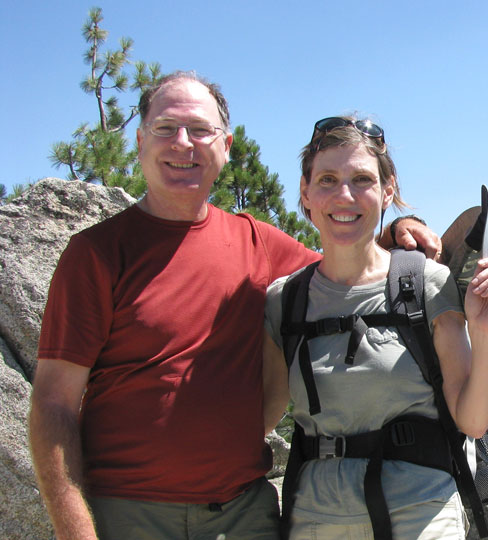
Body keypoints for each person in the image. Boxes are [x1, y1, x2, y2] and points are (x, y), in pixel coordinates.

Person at [28, 72, 438, 540]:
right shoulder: (96, 254)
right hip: (128, 514)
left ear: (224, 146)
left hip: (243, 514)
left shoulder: (256, 243)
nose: (184, 144)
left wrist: (397, 227)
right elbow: (53, 404)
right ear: (140, 141)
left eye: (200, 130)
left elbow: (346, 267)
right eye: (166, 128)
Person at [261, 116, 488, 539]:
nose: (345, 195)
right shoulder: (285, 300)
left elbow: (472, 421)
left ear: (387, 189)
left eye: (361, 179)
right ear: (306, 194)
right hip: (316, 520)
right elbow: (260, 418)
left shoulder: (425, 284)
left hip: (422, 515)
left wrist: (483, 335)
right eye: (327, 179)